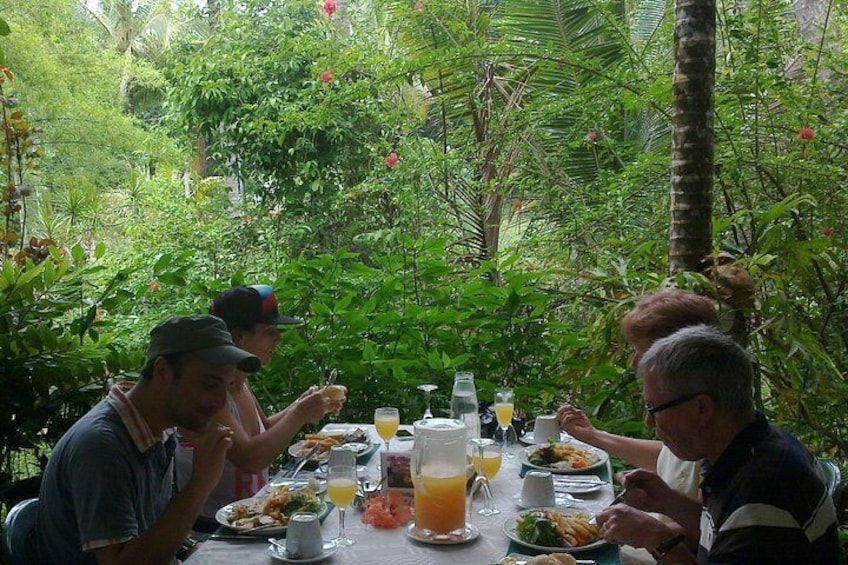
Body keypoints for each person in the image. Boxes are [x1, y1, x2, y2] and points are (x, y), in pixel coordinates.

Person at [597, 325, 839, 563]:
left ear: (702, 408)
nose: (649, 422)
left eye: (654, 409)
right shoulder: (752, 447)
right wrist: (666, 500)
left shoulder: (760, 497)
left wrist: (657, 538)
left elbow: (743, 524)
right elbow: (723, 532)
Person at [36, 315, 261, 565]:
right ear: (162, 371)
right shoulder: (102, 447)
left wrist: (196, 550)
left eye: (227, 387)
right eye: (210, 384)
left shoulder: (160, 430)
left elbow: (155, 527)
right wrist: (201, 483)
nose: (221, 402)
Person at [175, 284, 345, 527]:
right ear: (238, 336)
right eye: (269, 331)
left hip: (258, 515)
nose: (279, 338)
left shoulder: (240, 381)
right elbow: (251, 457)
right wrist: (298, 414)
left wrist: (301, 404)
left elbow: (263, 428)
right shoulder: (211, 393)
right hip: (216, 530)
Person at [557, 288, 720, 499]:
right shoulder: (692, 428)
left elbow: (709, 527)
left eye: (641, 353)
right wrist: (593, 435)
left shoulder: (721, 440)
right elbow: (668, 458)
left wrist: (656, 528)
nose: (634, 363)